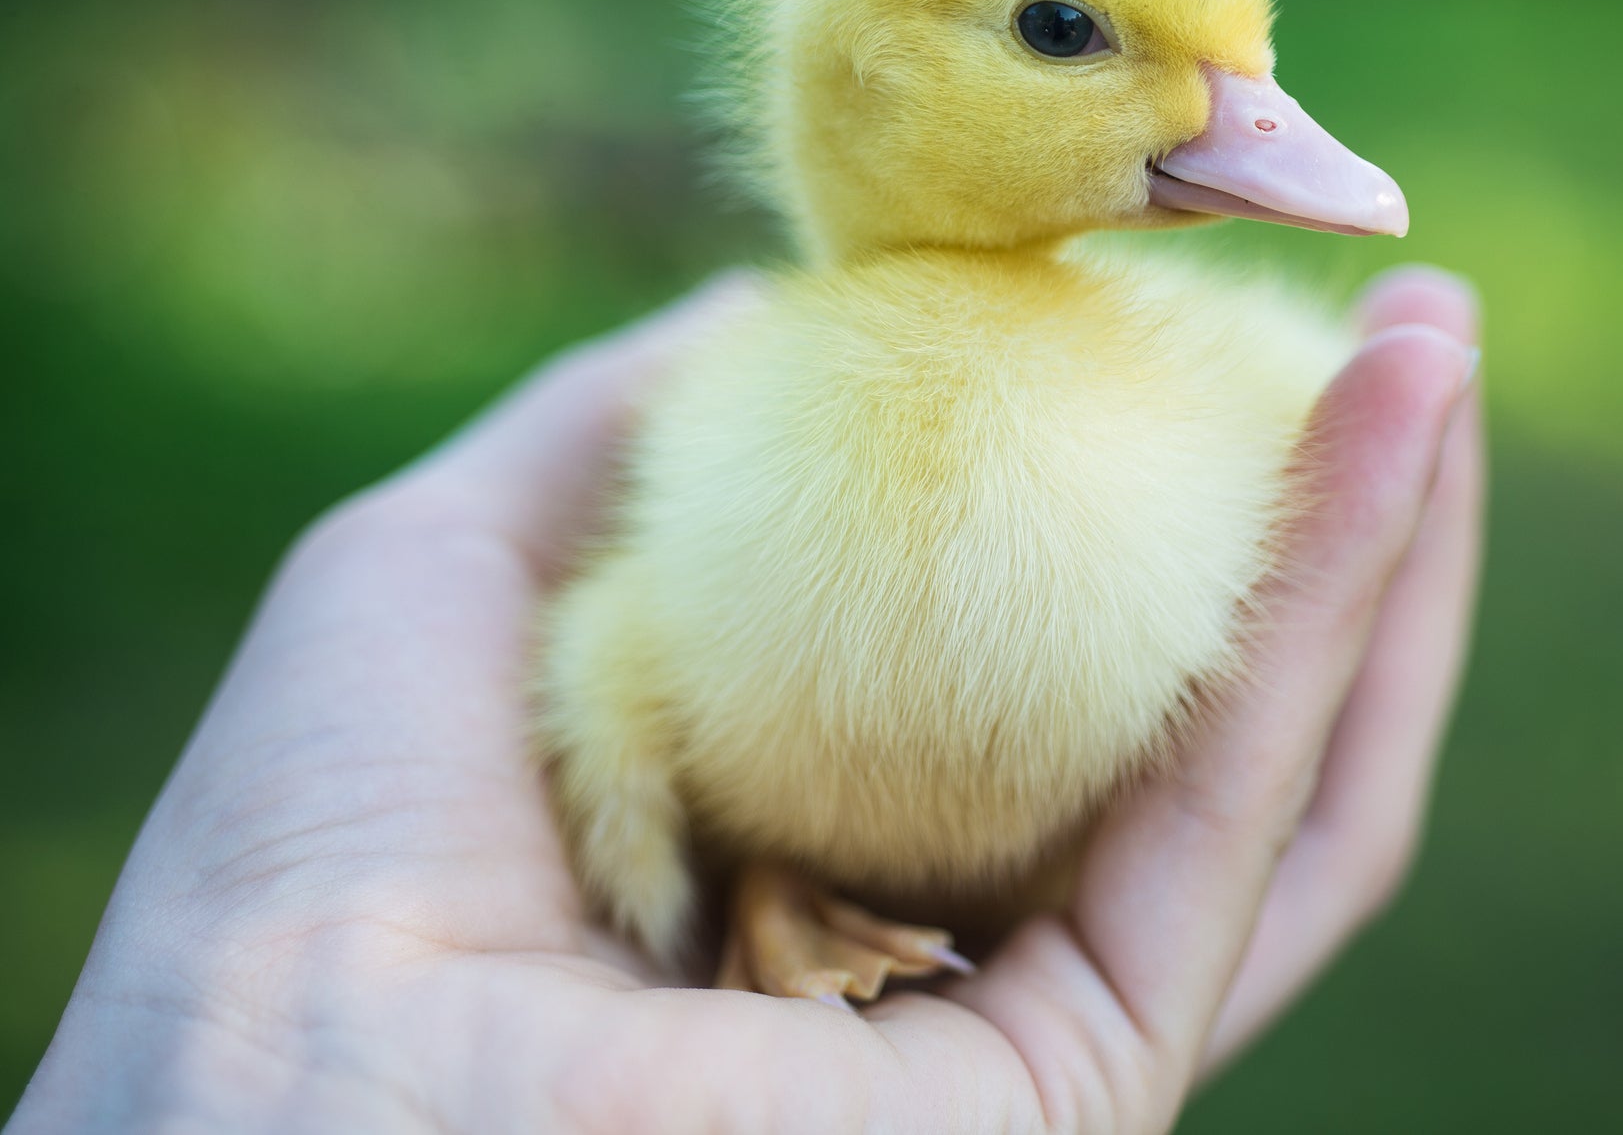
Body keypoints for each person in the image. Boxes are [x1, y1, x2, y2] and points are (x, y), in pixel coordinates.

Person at [9, 265, 1484, 1135]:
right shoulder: (767, 425)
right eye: (1064, 34)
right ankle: (783, 882)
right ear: (869, 72)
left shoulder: (1199, 374)